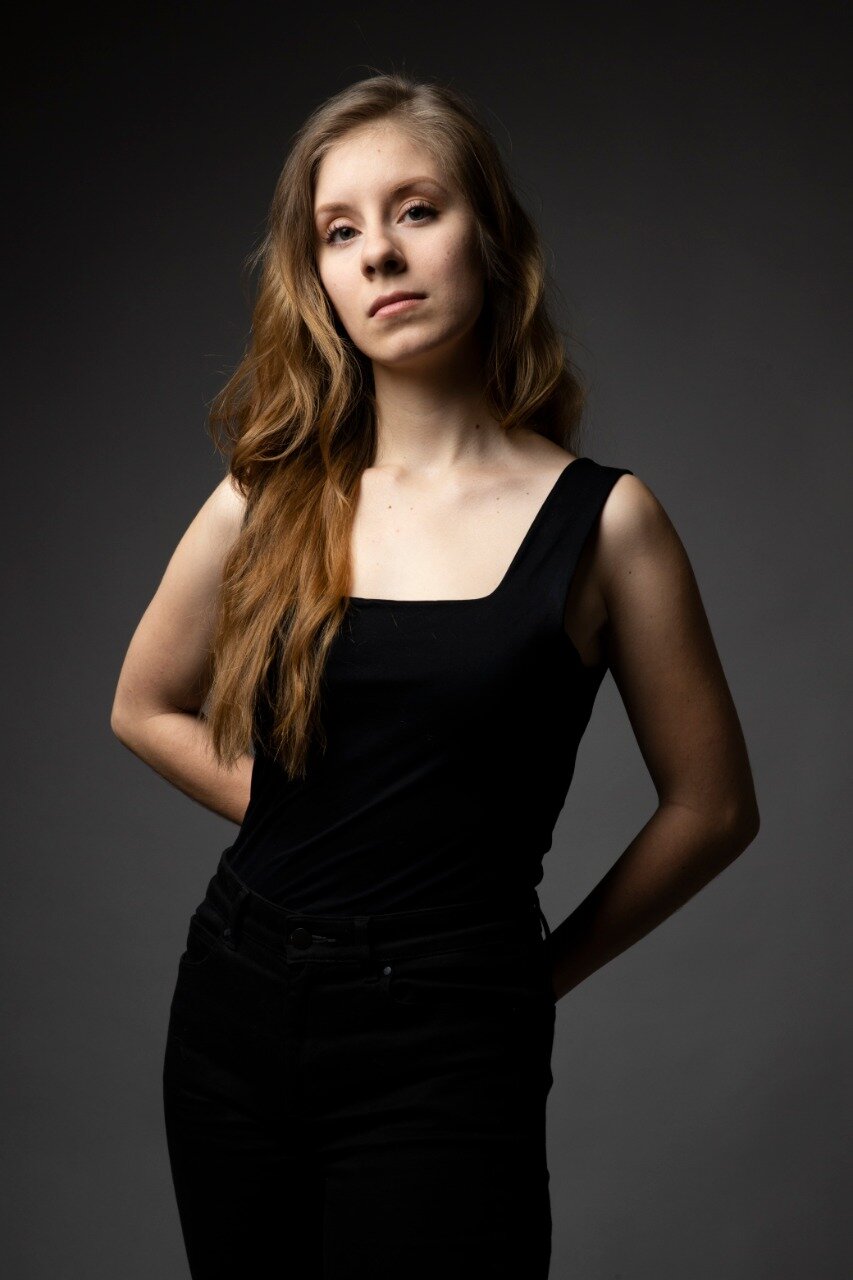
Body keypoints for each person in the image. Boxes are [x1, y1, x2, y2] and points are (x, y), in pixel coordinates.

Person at [110, 71, 760, 1280]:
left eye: (416, 209)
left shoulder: (607, 523)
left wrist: (536, 974)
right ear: (317, 279)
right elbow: (142, 705)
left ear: (489, 237)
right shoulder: (266, 494)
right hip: (235, 1005)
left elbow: (714, 806)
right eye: (339, 230)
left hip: (453, 1034)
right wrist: (319, 827)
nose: (378, 252)